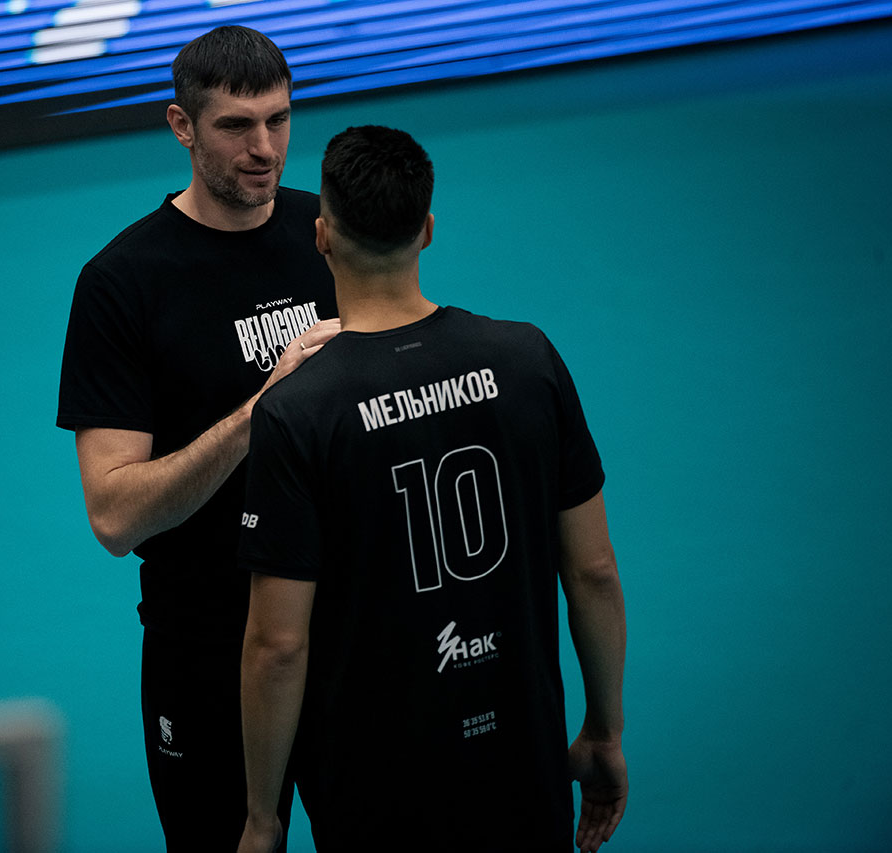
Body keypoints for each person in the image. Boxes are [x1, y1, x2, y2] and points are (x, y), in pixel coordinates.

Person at [237, 125, 628, 852]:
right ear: (427, 230)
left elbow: (278, 645)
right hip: (523, 765)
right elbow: (594, 571)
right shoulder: (529, 358)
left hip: (374, 791)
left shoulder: (296, 411)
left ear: (322, 236)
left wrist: (263, 817)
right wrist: (604, 733)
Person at [56, 25, 338, 850]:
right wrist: (262, 411)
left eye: (279, 120)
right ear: (181, 125)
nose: (265, 149)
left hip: (345, 624)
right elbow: (115, 515)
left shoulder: (328, 229)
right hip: (206, 645)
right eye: (235, 126)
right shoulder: (121, 284)